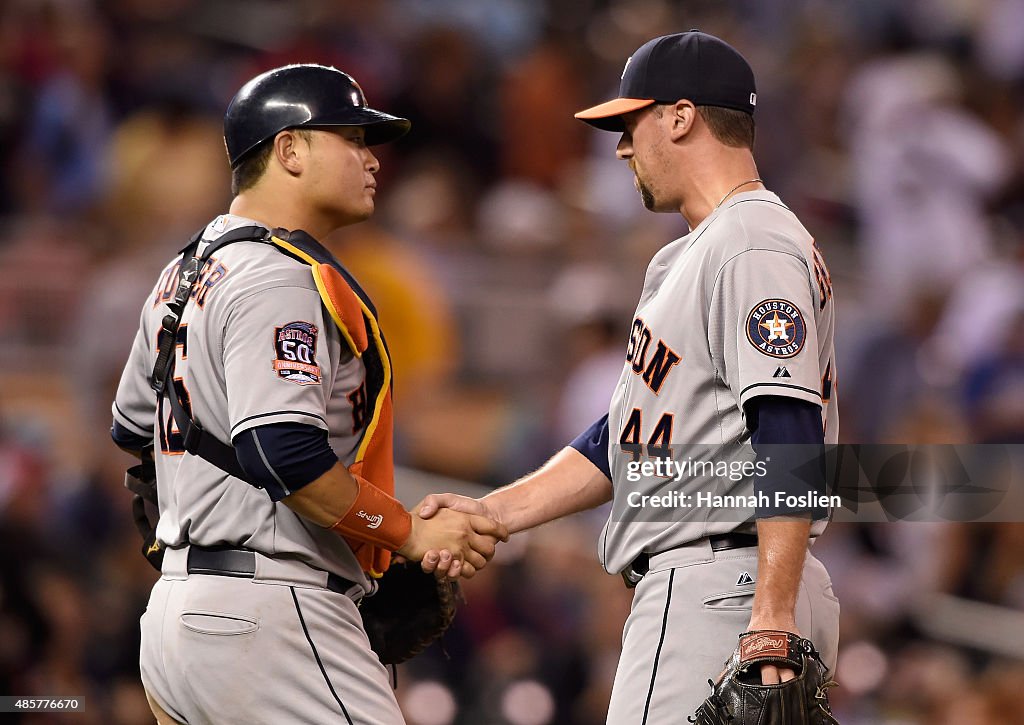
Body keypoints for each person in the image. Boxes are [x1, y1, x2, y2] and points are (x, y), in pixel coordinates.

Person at [419, 31, 840, 722]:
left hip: (724, 587)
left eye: (629, 123)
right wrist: (494, 513)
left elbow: (789, 431)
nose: (620, 147)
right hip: (725, 584)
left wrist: (771, 610)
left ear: (680, 116)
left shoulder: (750, 239)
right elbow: (628, 436)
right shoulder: (694, 254)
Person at [110, 64, 507, 725]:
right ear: (290, 149)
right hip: (270, 617)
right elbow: (283, 452)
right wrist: (405, 532)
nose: (371, 158)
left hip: (179, 617)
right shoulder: (280, 277)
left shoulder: (183, 272)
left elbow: (133, 431)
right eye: (350, 138)